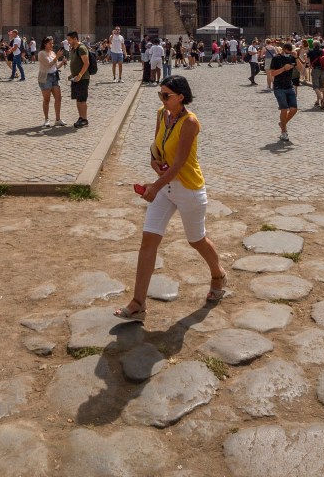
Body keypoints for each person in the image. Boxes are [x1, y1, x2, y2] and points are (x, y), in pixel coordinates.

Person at [114, 76, 225, 320]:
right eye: (160, 94)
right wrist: (153, 161)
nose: (162, 99)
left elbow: (179, 164)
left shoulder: (190, 122)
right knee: (148, 241)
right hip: (166, 187)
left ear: (181, 97)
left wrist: (155, 186)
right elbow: (157, 147)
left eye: (166, 95)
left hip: (188, 188)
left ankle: (218, 274)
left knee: (196, 240)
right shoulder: (161, 114)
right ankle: (138, 303)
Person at [267, 41, 299, 144]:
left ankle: (282, 123)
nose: (288, 54)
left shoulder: (292, 58)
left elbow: (301, 69)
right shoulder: (276, 58)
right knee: (284, 109)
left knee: (294, 109)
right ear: (283, 50)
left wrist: (297, 58)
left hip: (289, 86)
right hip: (279, 87)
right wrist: (283, 68)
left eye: (290, 52)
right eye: (287, 52)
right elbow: (272, 73)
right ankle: (284, 132)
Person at [37, 35, 65, 128]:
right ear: (45, 44)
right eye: (50, 43)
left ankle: (58, 119)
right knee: (47, 100)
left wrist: (62, 63)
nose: (52, 45)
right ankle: (46, 119)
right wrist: (57, 57)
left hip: (54, 76)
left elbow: (55, 66)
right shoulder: (41, 54)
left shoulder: (52, 53)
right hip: (45, 78)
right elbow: (48, 65)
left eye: (52, 43)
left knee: (58, 98)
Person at [67, 30, 92, 129]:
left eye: (69, 40)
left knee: (82, 100)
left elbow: (86, 63)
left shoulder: (81, 48)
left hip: (82, 78)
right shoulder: (74, 48)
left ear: (75, 39)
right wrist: (72, 75)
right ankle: (81, 117)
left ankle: (85, 119)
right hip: (75, 78)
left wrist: (80, 75)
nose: (68, 42)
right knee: (78, 99)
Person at [307, 38, 324, 109]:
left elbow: (307, 59)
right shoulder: (323, 51)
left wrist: (309, 64)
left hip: (315, 70)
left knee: (315, 87)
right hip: (323, 70)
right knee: (322, 86)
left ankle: (322, 100)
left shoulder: (311, 51)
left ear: (313, 45)